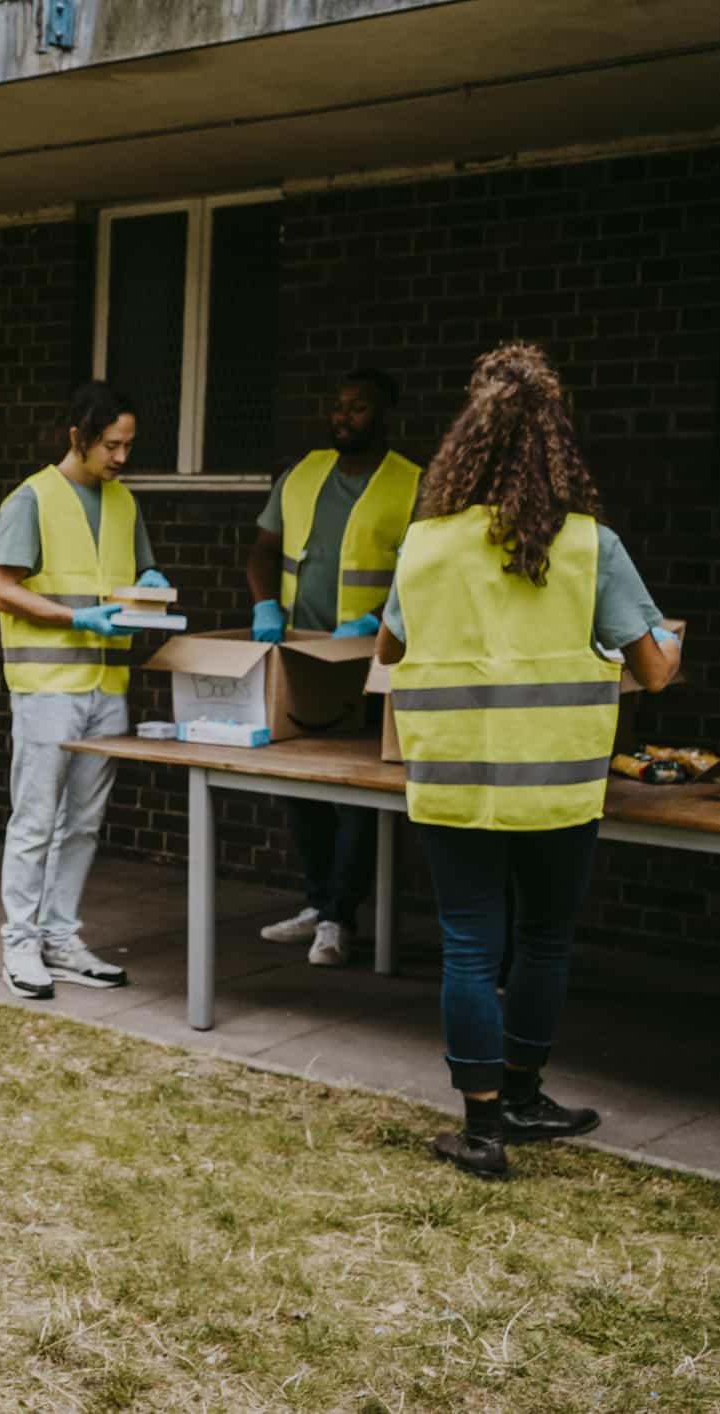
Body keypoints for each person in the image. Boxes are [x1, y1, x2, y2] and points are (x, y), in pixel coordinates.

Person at [377, 341, 678, 1180]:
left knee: (468, 945)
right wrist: (667, 648)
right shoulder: (589, 544)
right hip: (557, 787)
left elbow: (392, 649)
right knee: (542, 940)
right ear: (555, 441)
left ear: (464, 441)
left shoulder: (425, 545)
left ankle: (479, 1130)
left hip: (453, 781)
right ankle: (524, 1096)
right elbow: (652, 670)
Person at [0, 380, 165, 1001]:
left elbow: (137, 577)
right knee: (37, 819)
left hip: (106, 685)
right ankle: (21, 944)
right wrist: (74, 618)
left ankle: (61, 937)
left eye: (128, 446)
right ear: (77, 438)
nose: (121, 458)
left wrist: (151, 583)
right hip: (47, 687)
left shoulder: (124, 503)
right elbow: (0, 589)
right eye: (111, 445)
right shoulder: (30, 500)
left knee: (85, 823)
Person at [247, 368, 421, 966]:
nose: (344, 417)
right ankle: (319, 903)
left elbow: (423, 574)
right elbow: (263, 551)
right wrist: (264, 601)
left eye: (360, 408)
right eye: (339, 406)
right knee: (301, 788)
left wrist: (378, 621)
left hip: (368, 658)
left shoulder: (411, 484)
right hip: (302, 655)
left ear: (385, 414)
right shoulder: (304, 472)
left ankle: (338, 918)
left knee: (355, 795)